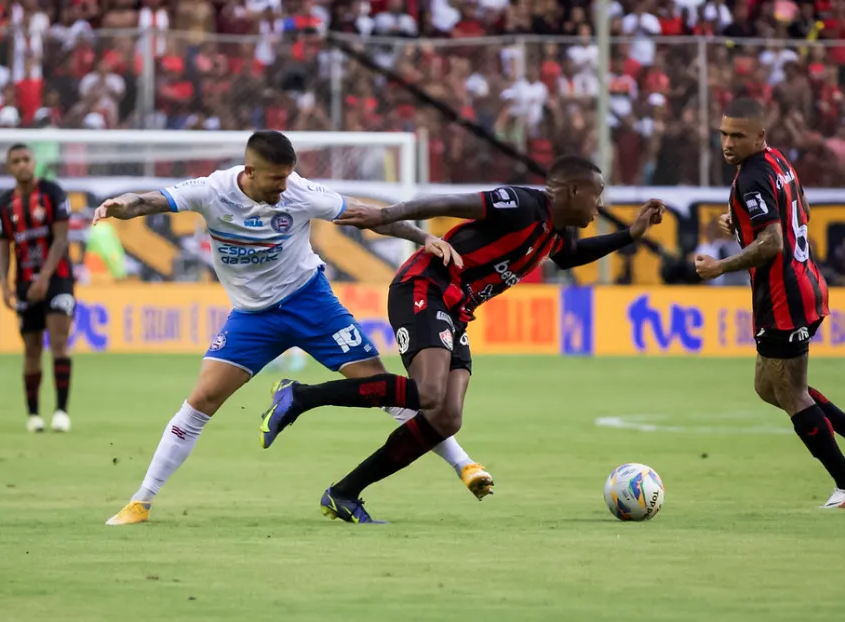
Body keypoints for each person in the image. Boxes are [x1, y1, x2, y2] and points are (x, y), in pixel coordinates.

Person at [95, 131, 494, 526]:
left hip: (312, 304)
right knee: (201, 401)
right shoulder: (212, 190)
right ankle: (141, 502)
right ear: (249, 171)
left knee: (380, 386)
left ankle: (463, 464)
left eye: (289, 177)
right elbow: (148, 200)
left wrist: (422, 236)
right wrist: (120, 206)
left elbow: (369, 216)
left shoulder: (300, 193)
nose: (285, 187)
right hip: (253, 318)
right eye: (276, 179)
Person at [260, 155, 665, 523]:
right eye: (597, 195)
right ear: (574, 190)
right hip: (425, 287)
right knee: (430, 393)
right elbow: (444, 203)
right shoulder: (522, 205)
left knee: (446, 416)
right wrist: (387, 215)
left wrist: (631, 235)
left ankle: (345, 493)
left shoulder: (553, 234)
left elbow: (570, 256)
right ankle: (299, 396)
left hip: (455, 311)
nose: (599, 206)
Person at [696, 97, 845, 510]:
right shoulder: (777, 162)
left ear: (760, 136)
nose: (727, 142)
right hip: (801, 287)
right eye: (724, 133)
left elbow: (774, 241)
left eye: (737, 136)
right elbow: (802, 210)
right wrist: (742, 220)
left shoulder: (752, 177)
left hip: (786, 297)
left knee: (791, 393)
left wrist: (720, 265)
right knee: (769, 387)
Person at [0, 143, 74, 433]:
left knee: (59, 341)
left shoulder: (52, 192)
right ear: (9, 167)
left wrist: (45, 279)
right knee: (31, 348)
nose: (22, 165)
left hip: (59, 279)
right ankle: (34, 415)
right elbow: (3, 248)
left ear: (34, 162)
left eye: (26, 159)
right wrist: (3, 283)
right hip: (24, 282)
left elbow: (61, 239)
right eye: (16, 161)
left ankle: (62, 411)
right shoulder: (4, 203)